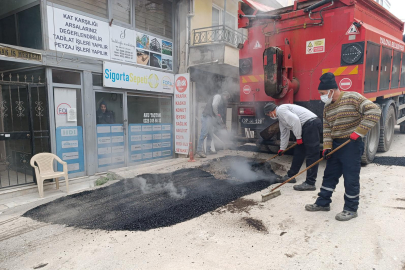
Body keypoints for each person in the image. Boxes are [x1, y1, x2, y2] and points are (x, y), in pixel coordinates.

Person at [305, 72, 381, 221]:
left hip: (351, 144)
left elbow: (374, 111)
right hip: (336, 145)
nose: (321, 96)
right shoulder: (327, 108)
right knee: (329, 175)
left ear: (331, 90)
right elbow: (327, 128)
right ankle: (323, 203)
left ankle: (351, 209)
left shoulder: (352, 97)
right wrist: (327, 147)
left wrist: (358, 132)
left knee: (350, 177)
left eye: (322, 93)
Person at [263, 102, 322, 191]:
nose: (270, 116)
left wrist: (298, 137)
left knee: (312, 154)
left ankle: (310, 183)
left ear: (271, 111)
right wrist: (282, 148)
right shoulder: (281, 117)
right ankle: (291, 176)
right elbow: (284, 133)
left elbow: (295, 120)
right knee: (299, 152)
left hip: (311, 124)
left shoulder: (282, 110)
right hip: (306, 126)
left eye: (269, 114)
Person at [196, 91, 230, 158]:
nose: (226, 100)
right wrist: (217, 114)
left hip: (210, 117)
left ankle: (208, 150)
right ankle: (199, 150)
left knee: (210, 134)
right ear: (225, 96)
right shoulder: (218, 96)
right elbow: (214, 105)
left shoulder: (220, 101)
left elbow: (218, 115)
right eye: (227, 98)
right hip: (207, 116)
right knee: (204, 133)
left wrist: (221, 122)